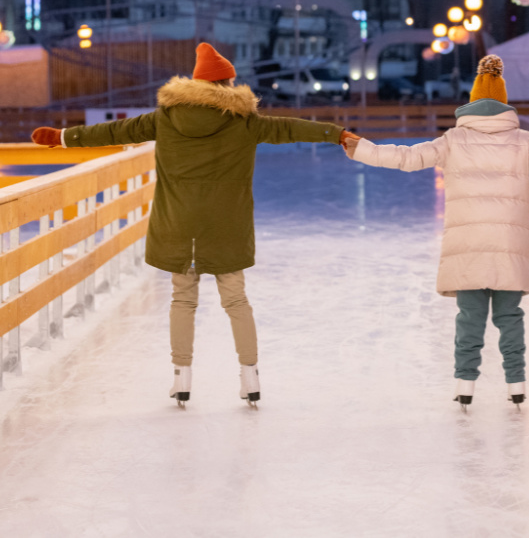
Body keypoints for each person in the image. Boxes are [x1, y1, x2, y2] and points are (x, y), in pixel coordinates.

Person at [31, 43, 357, 407]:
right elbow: (290, 128)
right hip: (226, 227)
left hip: (178, 225)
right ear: (228, 84)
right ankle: (250, 376)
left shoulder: (164, 118)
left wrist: (62, 137)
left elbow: (113, 132)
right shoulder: (245, 122)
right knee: (236, 300)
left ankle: (181, 378)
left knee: (183, 300)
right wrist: (336, 134)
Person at [342, 55, 529, 410]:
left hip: (468, 245)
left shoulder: (454, 139)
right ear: (504, 105)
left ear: (471, 104)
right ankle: (516, 383)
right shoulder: (523, 140)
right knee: (509, 317)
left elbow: (407, 157)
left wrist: (362, 149)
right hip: (509, 246)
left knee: (470, 318)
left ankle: (465, 384)